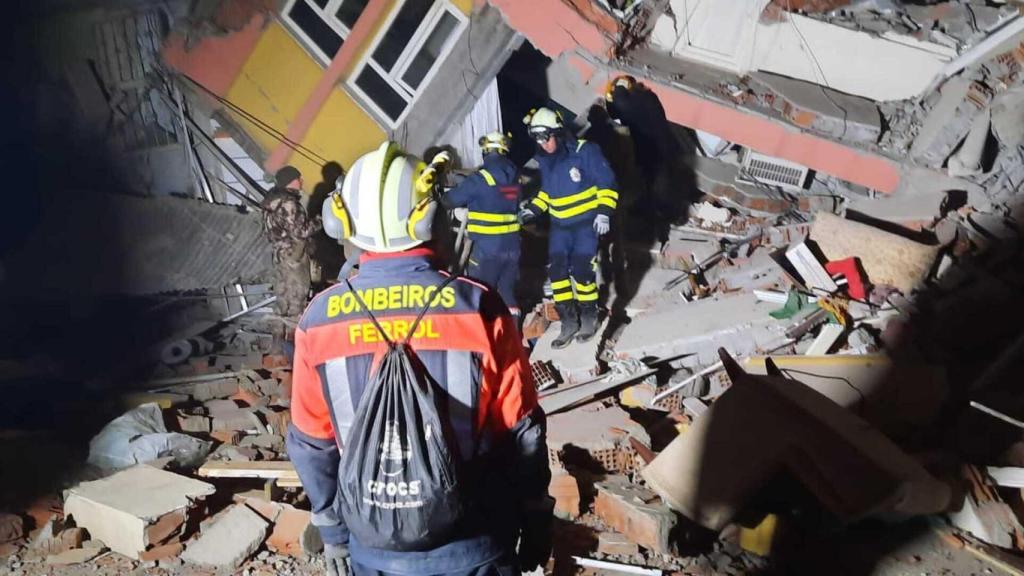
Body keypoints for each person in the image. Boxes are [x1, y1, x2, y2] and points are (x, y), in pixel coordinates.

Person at [286, 141, 552, 576]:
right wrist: (535, 511)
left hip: (374, 547)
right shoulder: (478, 308)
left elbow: (312, 444)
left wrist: (332, 530)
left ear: (343, 223)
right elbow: (521, 429)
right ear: (432, 218)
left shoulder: (319, 320)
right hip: (476, 542)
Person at [519, 107, 619, 348]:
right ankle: (569, 323)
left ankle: (589, 319)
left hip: (585, 225)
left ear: (558, 132)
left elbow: (607, 183)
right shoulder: (546, 159)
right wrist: (532, 209)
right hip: (560, 228)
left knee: (582, 272)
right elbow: (548, 191)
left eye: (546, 138)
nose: (543, 144)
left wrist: (604, 213)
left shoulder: (586, 152)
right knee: (558, 275)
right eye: (538, 139)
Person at [441, 132, 522, 318]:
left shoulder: (479, 179)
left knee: (481, 293)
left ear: (486, 152)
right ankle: (513, 331)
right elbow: (502, 197)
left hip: (487, 250)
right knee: (507, 293)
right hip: (512, 247)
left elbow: (449, 201)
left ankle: (485, 332)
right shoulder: (514, 175)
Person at [262, 165, 322, 320]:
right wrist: (320, 221)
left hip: (280, 257)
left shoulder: (271, 203)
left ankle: (279, 333)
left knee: (283, 301)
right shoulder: (289, 204)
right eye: (298, 178)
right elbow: (301, 231)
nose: (302, 180)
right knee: (297, 301)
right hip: (294, 258)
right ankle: (295, 333)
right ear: (290, 181)